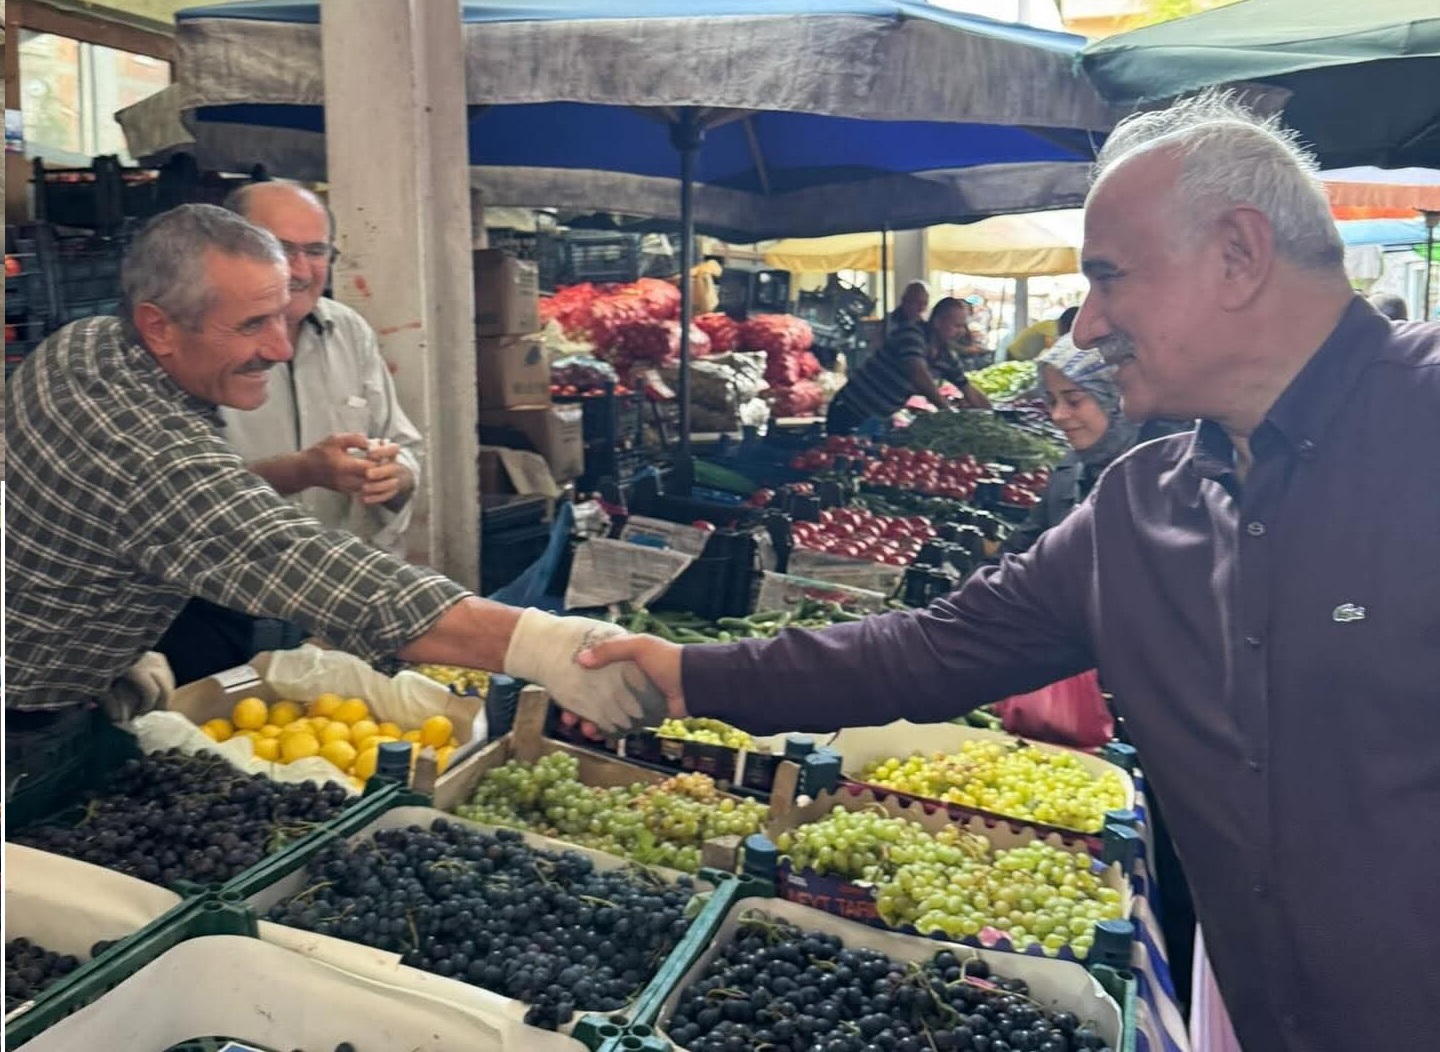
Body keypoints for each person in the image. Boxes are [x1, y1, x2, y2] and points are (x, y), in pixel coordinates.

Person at [563, 94, 1440, 1052]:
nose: (1092, 323)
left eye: (1109, 279)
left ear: (1238, 253)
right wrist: (688, 675)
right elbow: (929, 649)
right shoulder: (1141, 508)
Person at [4, 204, 657, 752]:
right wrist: (542, 644)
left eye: (282, 314)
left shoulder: (86, 346)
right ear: (159, 325)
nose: (280, 348)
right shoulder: (141, 445)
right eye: (253, 324)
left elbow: (144, 508)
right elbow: (295, 558)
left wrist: (109, 651)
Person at [155, 181, 424, 684]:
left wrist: (397, 476)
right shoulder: (188, 344)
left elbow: (402, 442)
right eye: (279, 249)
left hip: (333, 611)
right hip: (221, 617)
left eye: (316, 251)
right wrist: (302, 471)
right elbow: (177, 498)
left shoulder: (350, 332)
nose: (300, 270)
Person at [1001, 334, 1186, 556]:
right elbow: (1023, 549)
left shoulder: (1172, 478)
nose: (1057, 415)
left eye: (1073, 400)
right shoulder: (1071, 470)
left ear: (1117, 395)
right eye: (1051, 401)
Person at [826, 296, 991, 434]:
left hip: (876, 418)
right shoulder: (912, 334)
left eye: (963, 326)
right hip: (849, 409)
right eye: (956, 325)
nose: (961, 331)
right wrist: (947, 411)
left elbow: (967, 388)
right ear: (938, 322)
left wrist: (992, 416)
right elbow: (919, 375)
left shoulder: (947, 357)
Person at [1003, 305, 1078, 362]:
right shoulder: (1052, 327)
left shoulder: (1053, 325)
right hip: (1016, 355)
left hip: (1023, 357)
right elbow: (1052, 349)